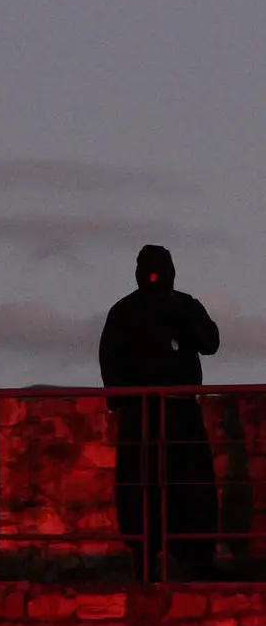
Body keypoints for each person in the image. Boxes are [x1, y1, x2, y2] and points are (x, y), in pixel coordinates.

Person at [99, 244, 220, 581]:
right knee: (146, 487)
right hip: (146, 413)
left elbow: (210, 342)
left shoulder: (181, 306)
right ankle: (148, 558)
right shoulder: (126, 311)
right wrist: (122, 395)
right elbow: (110, 359)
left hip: (175, 412)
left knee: (183, 487)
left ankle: (192, 559)